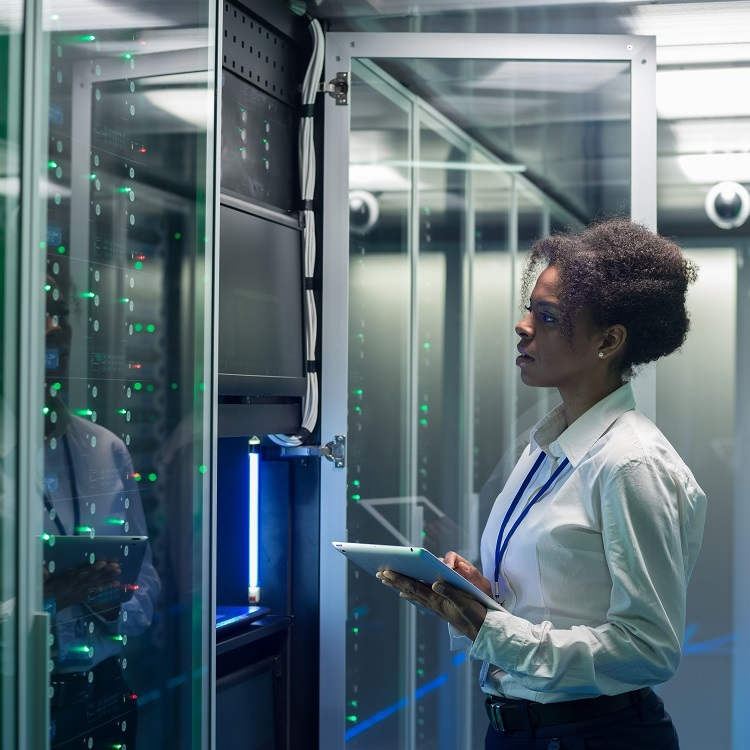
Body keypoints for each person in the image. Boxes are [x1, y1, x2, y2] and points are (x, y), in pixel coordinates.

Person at [378, 218, 707, 749]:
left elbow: (648, 649)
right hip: (520, 732)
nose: (523, 325)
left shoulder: (631, 463)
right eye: (529, 308)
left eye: (547, 316)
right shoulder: (547, 446)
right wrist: (484, 600)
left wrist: (493, 630)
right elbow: (560, 602)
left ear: (609, 340)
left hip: (596, 737)